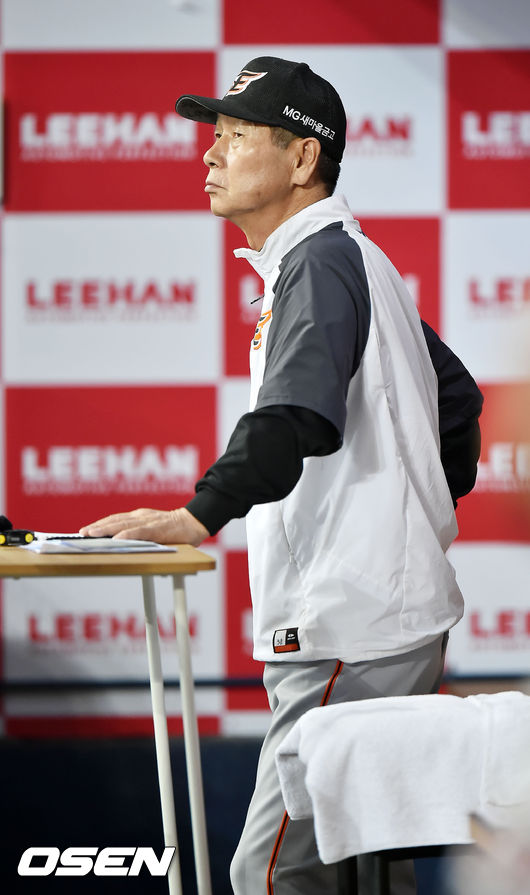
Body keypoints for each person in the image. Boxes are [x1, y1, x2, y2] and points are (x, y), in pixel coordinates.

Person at [81, 57, 483, 895]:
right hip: (386, 619)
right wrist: (407, 523)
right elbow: (458, 401)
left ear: (303, 158)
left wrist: (199, 513)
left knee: (275, 873)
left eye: (235, 135)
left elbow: (294, 416)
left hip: (348, 630)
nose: (209, 153)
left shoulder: (318, 260)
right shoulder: (354, 257)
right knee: (365, 874)